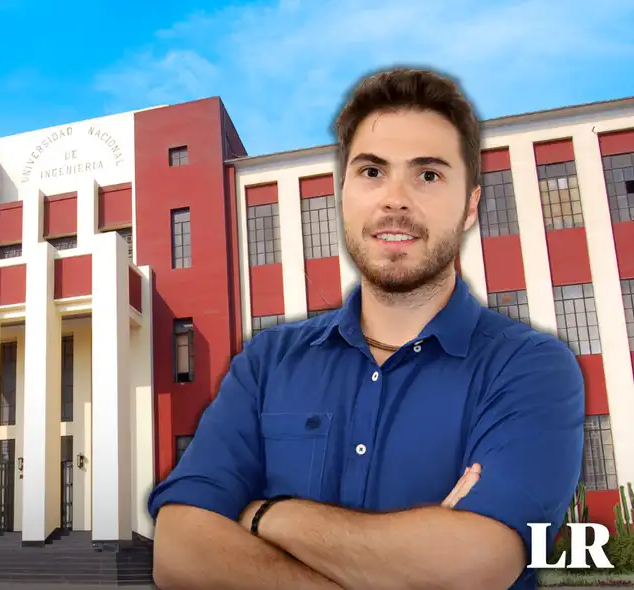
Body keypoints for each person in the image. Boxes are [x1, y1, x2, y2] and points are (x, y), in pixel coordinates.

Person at [147, 67, 586, 590]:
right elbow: (179, 553)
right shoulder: (267, 363)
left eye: (428, 175)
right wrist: (413, 556)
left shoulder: (530, 368)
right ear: (343, 194)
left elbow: (479, 563)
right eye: (372, 171)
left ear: (470, 206)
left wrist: (267, 515)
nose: (394, 199)